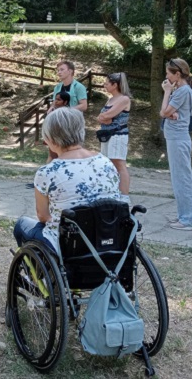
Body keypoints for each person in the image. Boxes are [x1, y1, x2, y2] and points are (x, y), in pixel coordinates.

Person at [14, 108, 121, 253]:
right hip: (107, 237)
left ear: (50, 139)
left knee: (22, 224)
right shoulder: (106, 162)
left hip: (69, 244)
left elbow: (43, 216)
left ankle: (35, 270)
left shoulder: (48, 172)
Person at [160, 58, 192, 231]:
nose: (166, 76)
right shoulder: (183, 90)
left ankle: (190, 219)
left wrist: (167, 92)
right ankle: (185, 215)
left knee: (183, 179)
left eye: (168, 73)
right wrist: (173, 114)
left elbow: (163, 112)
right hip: (176, 138)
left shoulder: (182, 91)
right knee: (178, 179)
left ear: (177, 74)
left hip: (178, 139)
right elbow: (182, 113)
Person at [97, 73, 131, 203]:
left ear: (115, 85)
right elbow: (101, 116)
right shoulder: (110, 99)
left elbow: (107, 115)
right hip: (107, 135)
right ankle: (112, 191)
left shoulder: (124, 99)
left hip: (118, 135)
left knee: (119, 164)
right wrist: (105, 117)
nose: (104, 85)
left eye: (107, 83)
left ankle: (124, 197)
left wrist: (105, 117)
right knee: (108, 164)